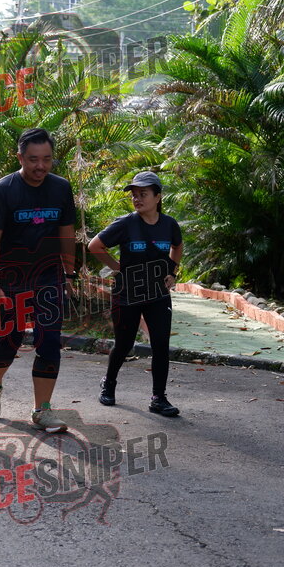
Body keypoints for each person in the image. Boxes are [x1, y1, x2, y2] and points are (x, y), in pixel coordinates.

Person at [0, 128, 77, 433]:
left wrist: (70, 273)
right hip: (11, 281)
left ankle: (42, 410)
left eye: (47, 159)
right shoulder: (4, 190)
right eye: (34, 159)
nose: (41, 166)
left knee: (49, 342)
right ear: (20, 157)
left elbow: (66, 234)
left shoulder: (61, 188)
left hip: (48, 278)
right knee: (7, 342)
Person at [88, 171, 183, 416]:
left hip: (158, 294)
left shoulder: (169, 224)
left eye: (143, 194)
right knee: (124, 344)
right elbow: (95, 246)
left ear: (158, 197)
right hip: (126, 294)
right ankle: (109, 383)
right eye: (134, 195)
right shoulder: (125, 224)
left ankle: (158, 398)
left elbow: (177, 245)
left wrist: (172, 271)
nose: (137, 199)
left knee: (160, 344)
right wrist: (117, 267)